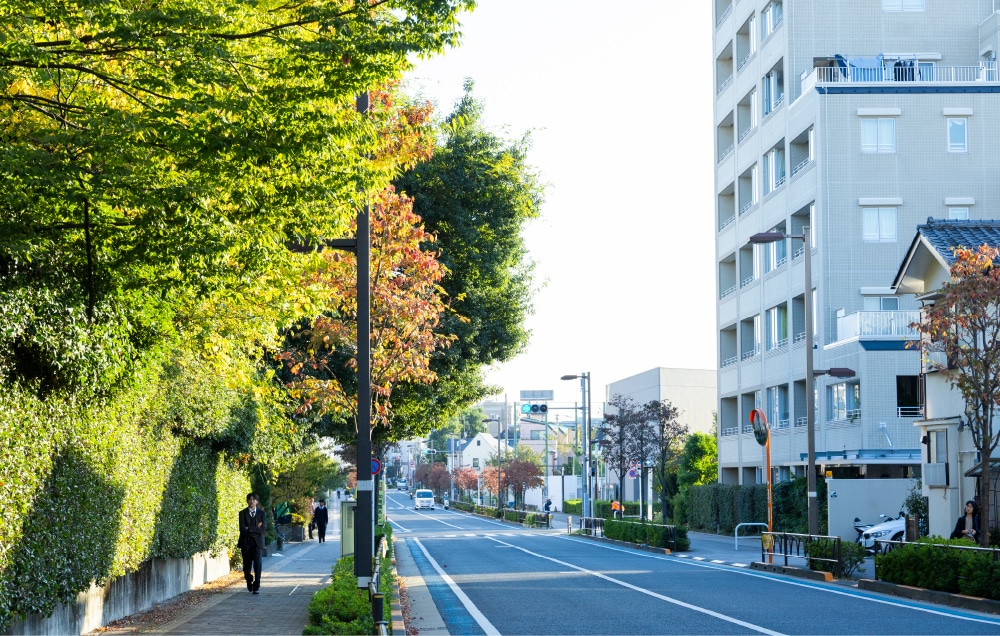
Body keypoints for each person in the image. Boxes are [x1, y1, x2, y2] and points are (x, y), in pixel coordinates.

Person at [238, 493, 267, 594]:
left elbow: (263, 529)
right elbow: (242, 529)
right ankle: (249, 579)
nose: (252, 501)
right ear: (247, 501)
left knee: (258, 564)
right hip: (246, 542)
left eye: (254, 499)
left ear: (257, 502)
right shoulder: (242, 513)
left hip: (257, 543)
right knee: (246, 565)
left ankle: (257, 586)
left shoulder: (262, 513)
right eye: (250, 499)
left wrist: (249, 528)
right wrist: (256, 528)